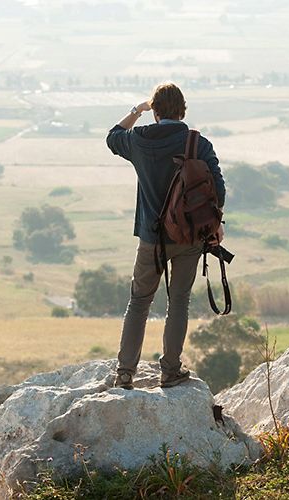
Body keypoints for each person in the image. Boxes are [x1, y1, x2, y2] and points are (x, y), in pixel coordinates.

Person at [106, 82, 225, 390]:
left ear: (155, 111)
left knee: (139, 303)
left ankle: (124, 373)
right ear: (182, 109)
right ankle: (170, 371)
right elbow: (219, 191)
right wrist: (214, 225)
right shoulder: (198, 144)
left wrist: (137, 110)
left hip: (150, 238)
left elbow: (112, 137)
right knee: (179, 302)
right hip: (189, 238)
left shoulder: (138, 141)